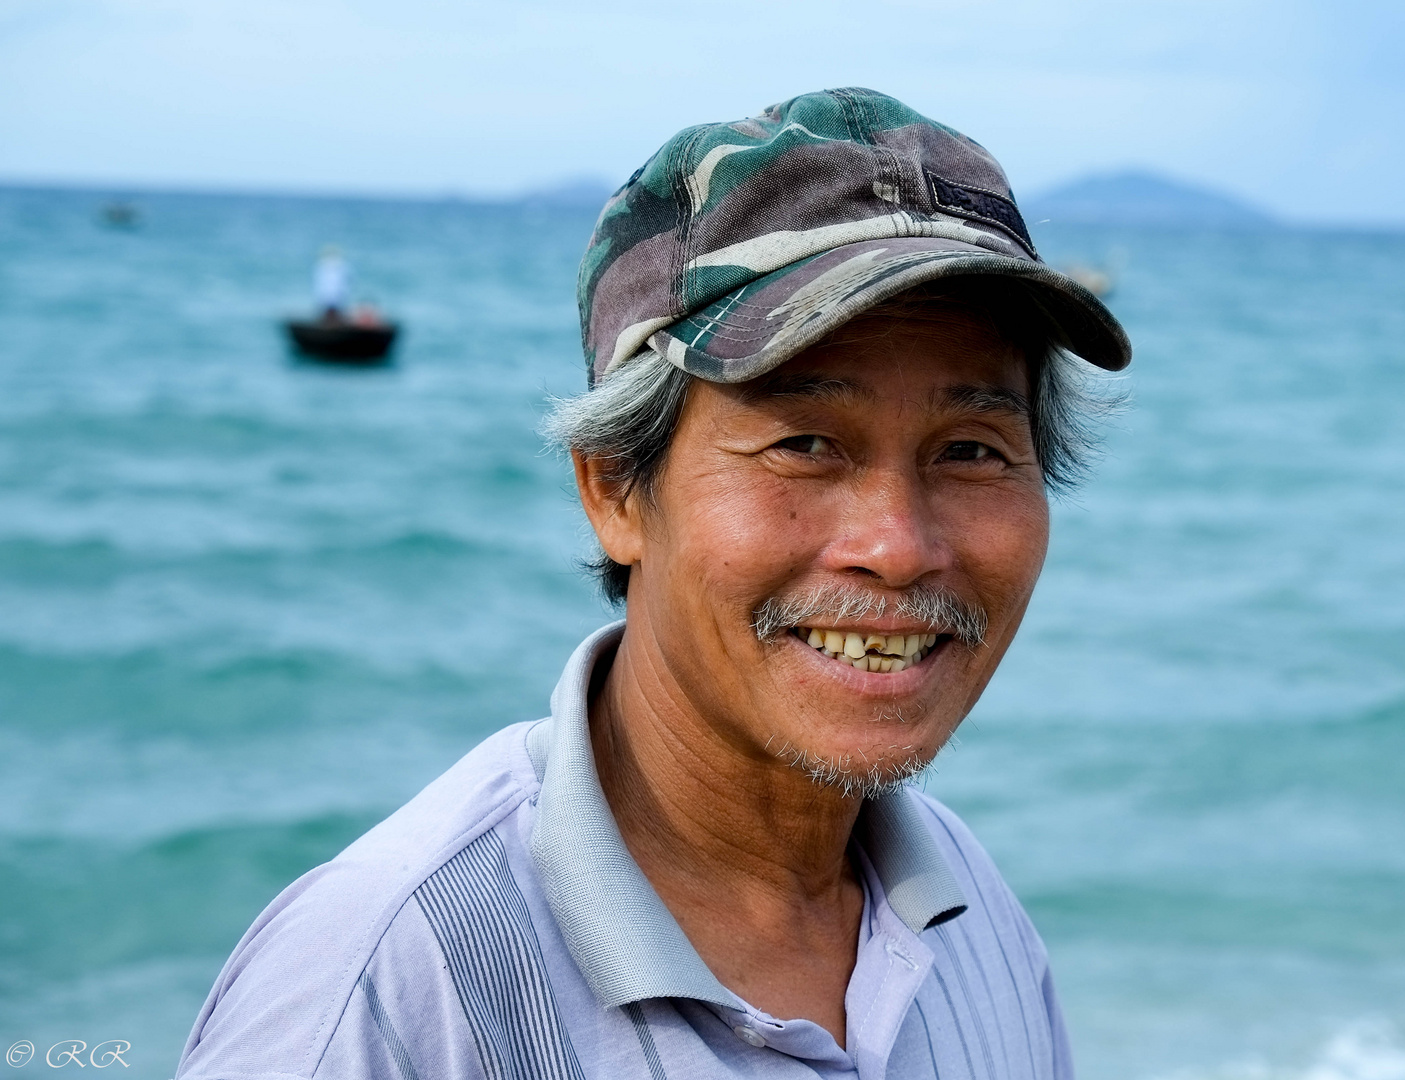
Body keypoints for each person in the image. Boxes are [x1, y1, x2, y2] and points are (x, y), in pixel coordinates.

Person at [177, 87, 1130, 1080]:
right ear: (616, 491)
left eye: (973, 451)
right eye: (805, 443)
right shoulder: (392, 987)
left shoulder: (969, 920)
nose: (897, 547)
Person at [313, 244, 351, 322]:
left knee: (330, 314)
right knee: (334, 314)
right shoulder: (343, 266)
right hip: (335, 298)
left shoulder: (321, 266)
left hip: (329, 298)